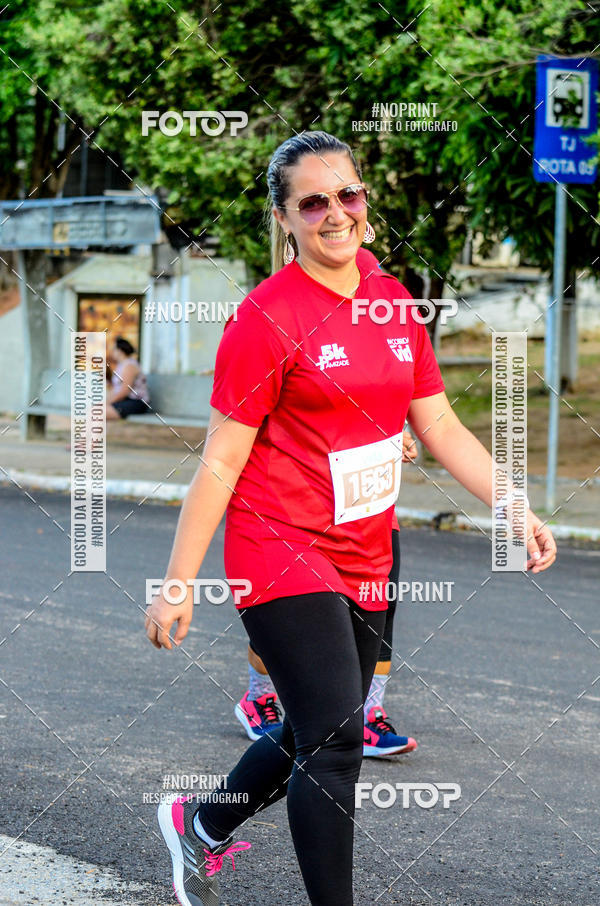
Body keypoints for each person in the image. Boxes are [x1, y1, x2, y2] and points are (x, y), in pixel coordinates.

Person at [145, 130, 556, 906]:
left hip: (367, 543)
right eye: (313, 201)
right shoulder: (267, 318)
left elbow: (436, 425)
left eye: (348, 194)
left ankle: (199, 825)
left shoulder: (394, 299)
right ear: (284, 218)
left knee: (314, 727)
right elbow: (222, 460)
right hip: (278, 540)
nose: (336, 213)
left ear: (366, 200)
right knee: (338, 744)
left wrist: (513, 504)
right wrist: (177, 584)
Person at [235, 429, 419, 758]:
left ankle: (367, 715)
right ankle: (259, 697)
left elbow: (433, 420)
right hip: (300, 502)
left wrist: (394, 432)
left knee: (381, 604)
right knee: (294, 612)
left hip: (368, 504)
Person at [106, 336, 150, 420]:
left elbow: (125, 391)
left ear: (120, 351)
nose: (112, 352)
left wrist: (108, 403)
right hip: (125, 401)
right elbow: (115, 389)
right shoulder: (120, 365)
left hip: (136, 402)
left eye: (114, 349)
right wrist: (105, 402)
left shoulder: (129, 365)